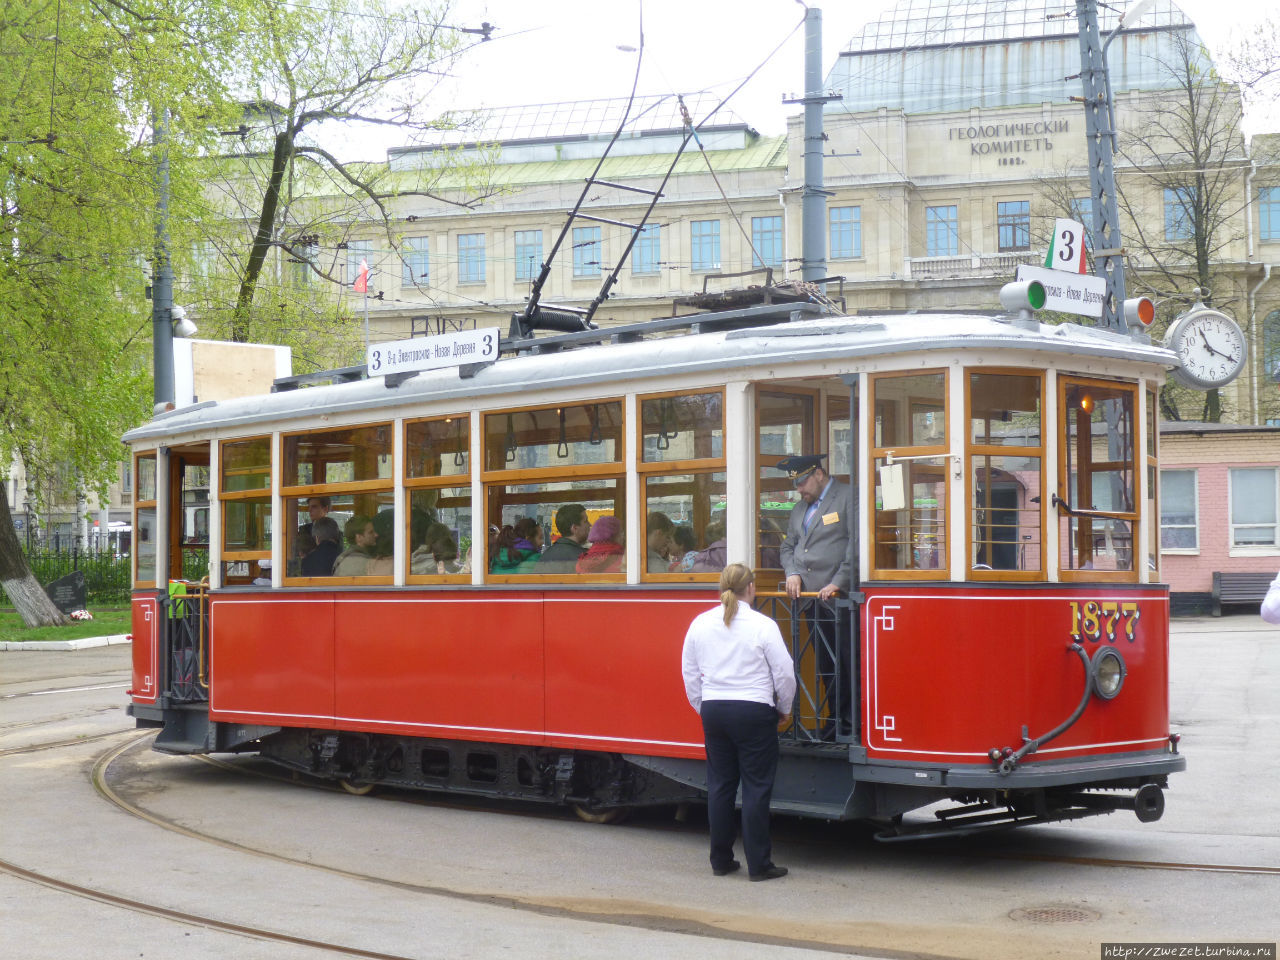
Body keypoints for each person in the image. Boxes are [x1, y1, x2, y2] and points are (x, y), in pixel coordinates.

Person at [682, 562, 795, 882]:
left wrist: (702, 707)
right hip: (754, 710)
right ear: (752, 588)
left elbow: (689, 672)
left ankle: (720, 860)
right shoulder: (763, 625)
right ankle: (759, 865)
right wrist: (783, 707)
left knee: (719, 786)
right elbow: (784, 673)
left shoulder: (700, 623)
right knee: (756, 788)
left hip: (715, 709)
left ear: (721, 589)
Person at [777, 453, 854, 739]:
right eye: (796, 484)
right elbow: (788, 548)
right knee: (826, 666)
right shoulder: (799, 510)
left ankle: (848, 726)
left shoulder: (847, 497)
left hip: (840, 600)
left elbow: (855, 545)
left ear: (819, 474)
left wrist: (838, 582)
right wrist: (791, 573)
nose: (799, 489)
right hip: (811, 600)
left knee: (845, 666)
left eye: (802, 482)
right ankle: (832, 722)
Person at [537, 503, 591, 573]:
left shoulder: (544, 557)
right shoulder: (583, 558)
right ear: (574, 528)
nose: (590, 524)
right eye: (586, 521)